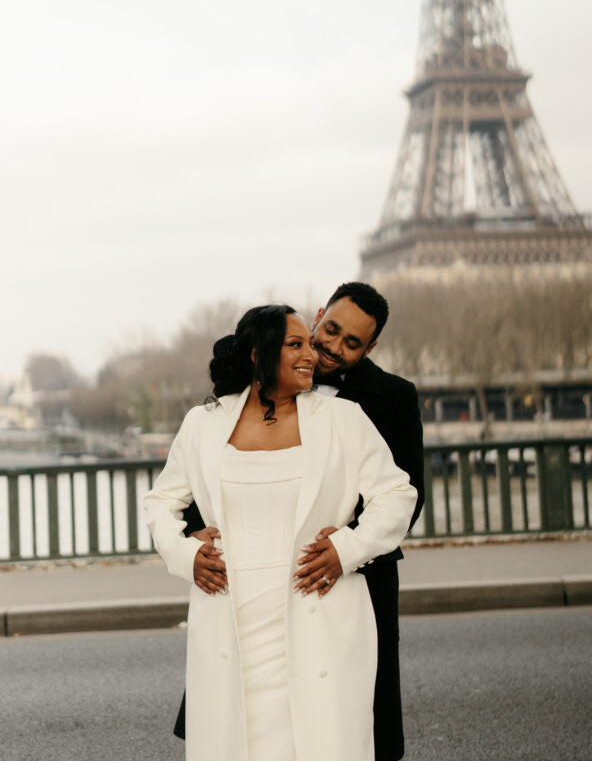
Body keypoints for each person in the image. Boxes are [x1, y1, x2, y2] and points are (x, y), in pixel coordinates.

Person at [145, 304, 416, 761]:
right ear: (257, 354)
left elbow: (397, 494)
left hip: (319, 610)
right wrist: (185, 555)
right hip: (231, 613)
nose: (312, 353)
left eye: (309, 344)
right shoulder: (203, 424)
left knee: (319, 742)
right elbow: (161, 503)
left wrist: (348, 547)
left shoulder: (343, 418)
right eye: (296, 344)